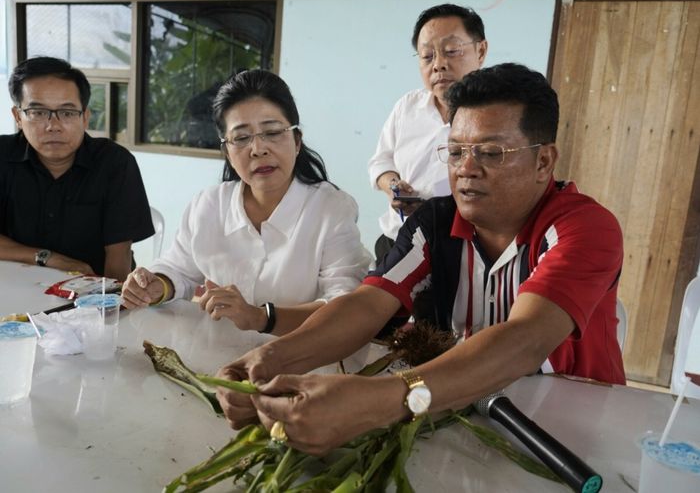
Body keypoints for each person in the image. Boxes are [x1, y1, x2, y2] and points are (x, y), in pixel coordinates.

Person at [214, 63, 626, 456]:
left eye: (491, 153)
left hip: (573, 429)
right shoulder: (436, 222)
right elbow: (368, 304)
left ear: (543, 161)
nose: (466, 169)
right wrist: (272, 358)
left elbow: (525, 340)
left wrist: (384, 399)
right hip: (463, 408)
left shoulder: (585, 228)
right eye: (455, 151)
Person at [121, 70, 371, 335]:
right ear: (227, 151)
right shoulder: (209, 205)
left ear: (297, 141)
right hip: (216, 357)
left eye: (272, 132)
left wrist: (260, 317)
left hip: (300, 362)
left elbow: (344, 305)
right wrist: (156, 285)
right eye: (241, 138)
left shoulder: (331, 209)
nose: (258, 149)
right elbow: (177, 269)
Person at [0, 57, 154, 281]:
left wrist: (109, 307)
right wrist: (48, 257)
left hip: (89, 298)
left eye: (68, 113)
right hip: (13, 291)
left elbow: (118, 258)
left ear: (85, 118)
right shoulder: (3, 156)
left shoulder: (114, 164)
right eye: (38, 112)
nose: (53, 126)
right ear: (18, 117)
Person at [368, 4, 487, 262]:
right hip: (397, 242)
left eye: (452, 51)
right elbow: (381, 162)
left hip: (457, 251)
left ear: (481, 51)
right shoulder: (408, 106)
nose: (439, 65)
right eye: (427, 56)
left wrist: (433, 211)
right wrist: (393, 187)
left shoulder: (492, 118)